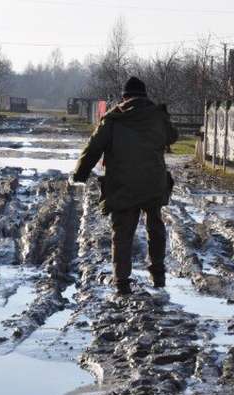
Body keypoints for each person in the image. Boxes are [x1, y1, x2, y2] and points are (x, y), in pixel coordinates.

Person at [71, 77, 178, 295]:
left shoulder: (113, 119)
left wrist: (80, 174)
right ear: (145, 95)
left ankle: (122, 281)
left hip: (123, 184)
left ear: (124, 97)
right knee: (155, 227)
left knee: (123, 233)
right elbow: (172, 137)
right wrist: (164, 117)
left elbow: (93, 149)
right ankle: (158, 274)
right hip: (153, 183)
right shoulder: (157, 116)